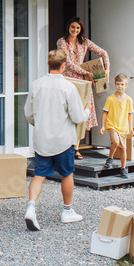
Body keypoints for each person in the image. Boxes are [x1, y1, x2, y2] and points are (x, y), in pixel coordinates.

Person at [23, 49, 89, 231]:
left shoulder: (36, 85)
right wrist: (87, 113)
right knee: (67, 174)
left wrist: (40, 124)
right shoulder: (69, 87)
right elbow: (77, 117)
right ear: (63, 66)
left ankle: (31, 206)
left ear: (48, 64)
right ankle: (67, 211)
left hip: (42, 140)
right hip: (63, 140)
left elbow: (28, 114)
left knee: (39, 175)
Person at [56, 16, 110, 158]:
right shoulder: (62, 42)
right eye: (73, 27)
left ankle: (76, 148)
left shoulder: (84, 42)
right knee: (67, 114)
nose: (75, 30)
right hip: (67, 80)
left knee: (81, 112)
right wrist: (87, 72)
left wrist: (106, 69)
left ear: (81, 30)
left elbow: (103, 52)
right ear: (69, 27)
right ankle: (64, 147)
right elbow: (68, 63)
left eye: (78, 28)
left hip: (82, 82)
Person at [99, 73, 133, 179]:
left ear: (126, 85)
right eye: (118, 84)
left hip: (123, 127)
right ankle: (110, 158)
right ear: (115, 84)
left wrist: (131, 127)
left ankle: (123, 168)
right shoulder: (110, 99)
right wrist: (102, 126)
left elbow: (130, 114)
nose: (120, 86)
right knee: (115, 142)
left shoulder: (128, 100)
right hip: (112, 125)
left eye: (122, 84)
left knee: (123, 149)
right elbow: (105, 112)